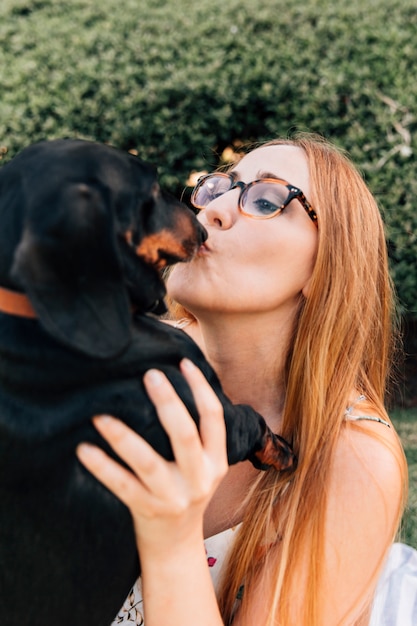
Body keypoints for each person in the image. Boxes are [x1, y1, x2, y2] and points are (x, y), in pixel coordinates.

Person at [76, 134, 411, 625]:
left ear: (326, 268)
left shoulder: (351, 460)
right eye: (216, 189)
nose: (212, 211)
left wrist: (171, 533)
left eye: (268, 200)